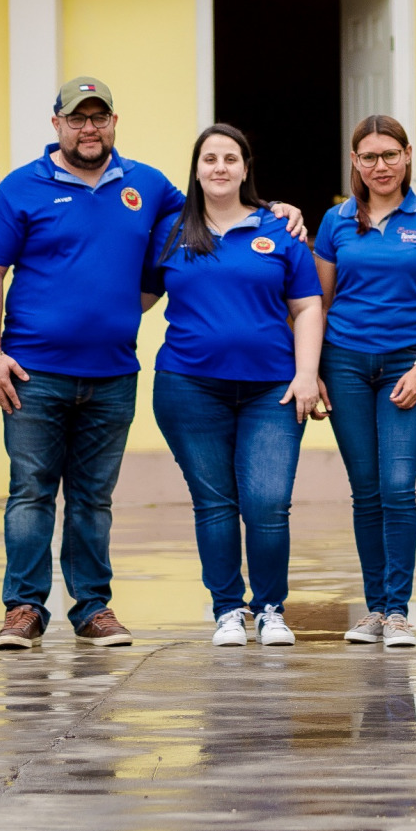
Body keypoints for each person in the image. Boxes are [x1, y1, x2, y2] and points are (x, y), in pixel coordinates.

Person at [0, 77, 182, 652]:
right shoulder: (21, 189)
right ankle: (23, 609)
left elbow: (209, 219)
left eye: (100, 117)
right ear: (57, 123)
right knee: (31, 491)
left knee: (93, 497)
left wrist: (279, 210)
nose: (89, 128)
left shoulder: (150, 186)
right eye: (77, 118)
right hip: (33, 375)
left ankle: (92, 608)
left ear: (115, 121)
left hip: (114, 373)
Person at [146, 125, 326, 648]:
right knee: (215, 503)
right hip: (188, 387)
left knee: (268, 502)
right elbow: (132, 296)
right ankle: (227, 609)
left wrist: (307, 372)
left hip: (274, 389)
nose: (219, 167)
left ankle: (270, 608)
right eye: (209, 158)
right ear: (196, 169)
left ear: (246, 168)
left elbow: (308, 305)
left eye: (230, 158)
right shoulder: (171, 231)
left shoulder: (280, 229)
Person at [315, 115, 416, 650]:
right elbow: (318, 304)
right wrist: (314, 371)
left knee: (398, 486)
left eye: (389, 155)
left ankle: (399, 610)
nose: (380, 166)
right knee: (366, 490)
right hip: (346, 364)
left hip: (407, 365)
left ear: (407, 155)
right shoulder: (335, 222)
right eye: (369, 157)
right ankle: (374, 609)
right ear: (355, 162)